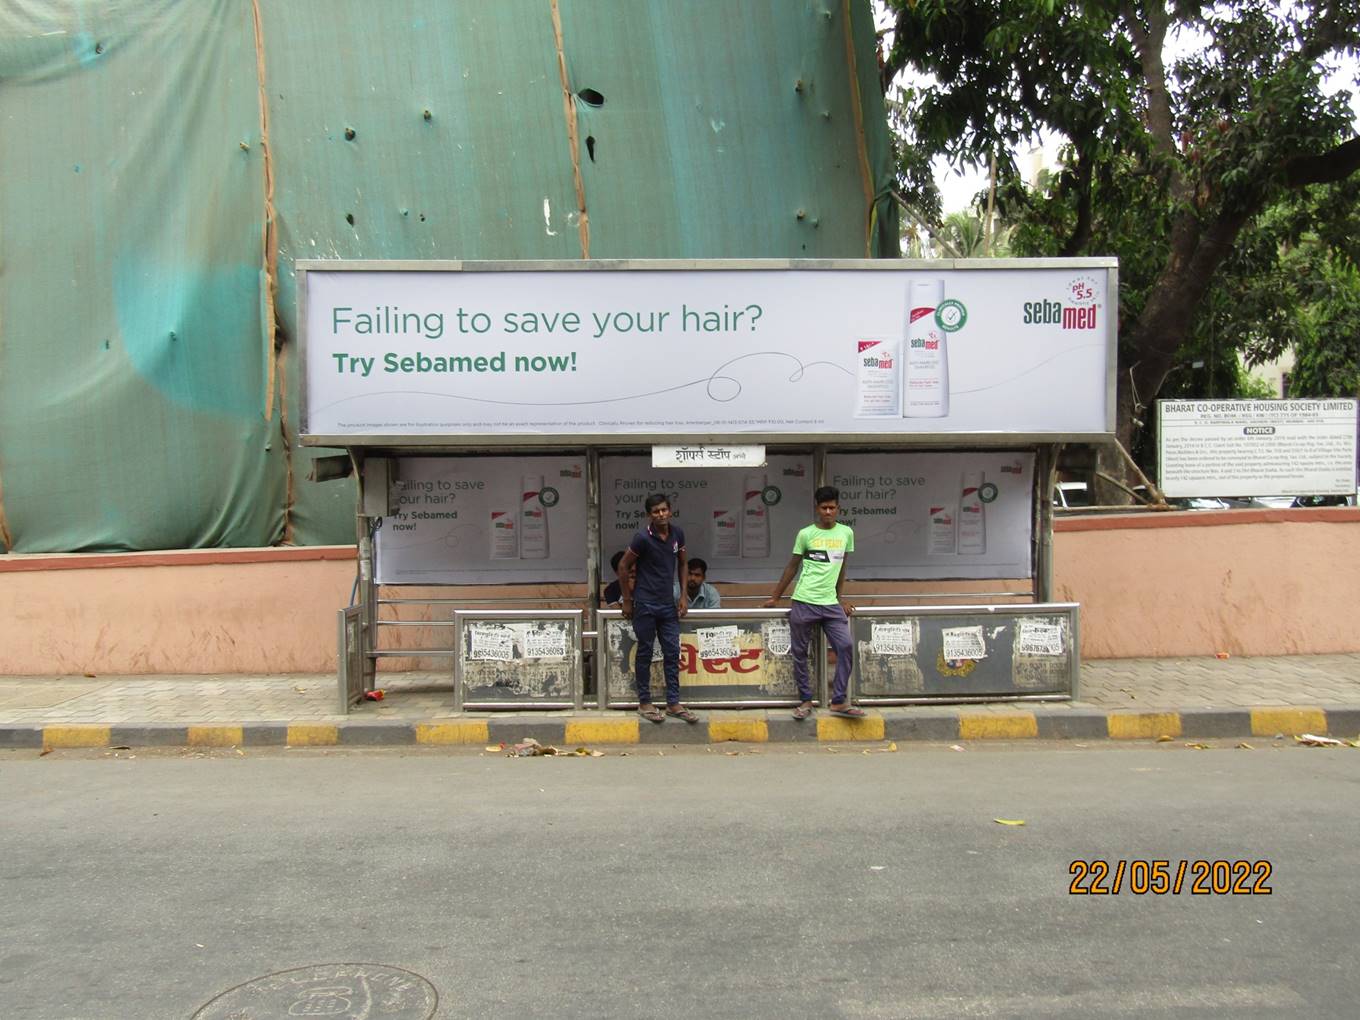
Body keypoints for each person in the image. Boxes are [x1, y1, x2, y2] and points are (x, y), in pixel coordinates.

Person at [764, 485, 864, 720]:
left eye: (832, 507)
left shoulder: (846, 533)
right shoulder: (806, 534)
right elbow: (792, 565)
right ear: (817, 508)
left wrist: (839, 599)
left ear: (838, 508)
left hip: (830, 603)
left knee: (846, 646)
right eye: (823, 507)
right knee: (800, 653)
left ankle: (838, 700)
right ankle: (806, 700)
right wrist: (776, 596)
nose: (828, 512)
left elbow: (842, 568)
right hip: (804, 600)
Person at [618, 493, 699, 724]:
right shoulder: (642, 537)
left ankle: (673, 703)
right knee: (645, 652)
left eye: (664, 510)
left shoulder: (677, 534)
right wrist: (627, 599)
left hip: (667, 604)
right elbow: (623, 566)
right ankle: (645, 702)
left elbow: (683, 563)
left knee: (672, 653)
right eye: (656, 511)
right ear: (649, 515)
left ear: (670, 510)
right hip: (644, 604)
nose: (661, 514)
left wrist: (683, 595)